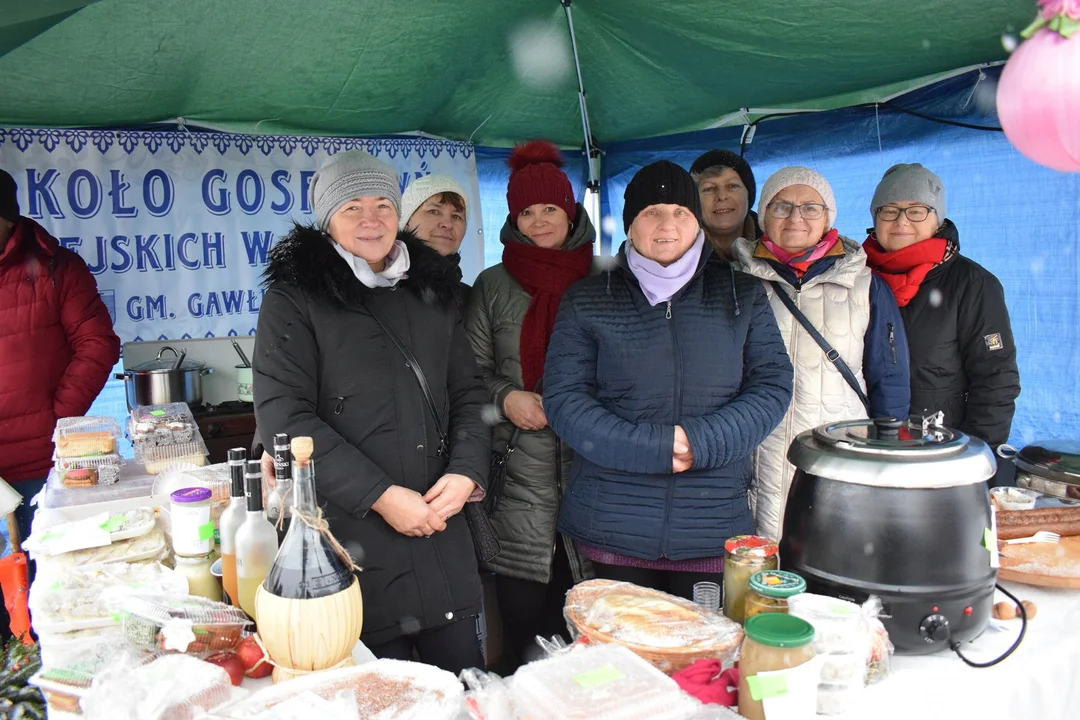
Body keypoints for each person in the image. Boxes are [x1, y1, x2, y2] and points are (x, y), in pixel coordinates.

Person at [253, 150, 491, 674]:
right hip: (351, 545)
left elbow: (469, 394)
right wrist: (382, 497)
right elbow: (284, 419)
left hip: (439, 528)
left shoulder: (433, 292)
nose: (370, 219)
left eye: (383, 203)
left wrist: (467, 471)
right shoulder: (293, 300)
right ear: (327, 220)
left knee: (465, 689)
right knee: (378, 693)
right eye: (351, 207)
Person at [542, 160, 793, 598]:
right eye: (652, 212)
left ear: (697, 221)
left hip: (711, 524)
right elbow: (565, 399)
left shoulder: (740, 293)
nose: (667, 225)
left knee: (702, 659)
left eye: (680, 212)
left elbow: (771, 385)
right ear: (630, 225)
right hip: (613, 525)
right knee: (622, 661)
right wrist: (652, 448)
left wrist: (702, 441)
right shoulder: (588, 298)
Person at [464, 140, 596, 671]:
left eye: (550, 208)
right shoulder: (493, 285)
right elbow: (467, 376)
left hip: (593, 477)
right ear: (513, 218)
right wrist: (505, 396)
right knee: (522, 640)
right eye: (527, 211)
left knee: (587, 635)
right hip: (518, 480)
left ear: (570, 211)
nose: (540, 221)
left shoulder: (605, 276)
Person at [732, 166, 910, 542]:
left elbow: (888, 378)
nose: (796, 217)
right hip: (753, 456)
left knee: (830, 563)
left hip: (837, 454)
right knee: (756, 570)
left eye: (811, 207)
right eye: (781, 206)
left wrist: (888, 458)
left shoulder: (866, 285)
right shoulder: (735, 281)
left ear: (829, 216)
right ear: (763, 215)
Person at [863, 164, 1020, 482]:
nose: (902, 221)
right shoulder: (853, 277)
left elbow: (996, 379)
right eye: (889, 210)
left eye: (916, 210)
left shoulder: (972, 284)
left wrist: (975, 458)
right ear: (875, 218)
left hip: (940, 452)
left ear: (937, 219)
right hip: (865, 447)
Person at [0, 168, 119, 539]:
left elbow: (98, 343)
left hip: (37, 466)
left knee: (39, 582)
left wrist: (58, 419)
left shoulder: (57, 268)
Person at [400, 174, 472, 308]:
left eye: (456, 216)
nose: (448, 224)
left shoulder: (470, 299)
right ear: (406, 221)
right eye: (434, 211)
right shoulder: (380, 287)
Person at [690, 149, 760, 261]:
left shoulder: (779, 244)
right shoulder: (678, 254)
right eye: (709, 189)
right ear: (695, 200)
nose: (722, 196)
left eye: (732, 186)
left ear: (748, 194)